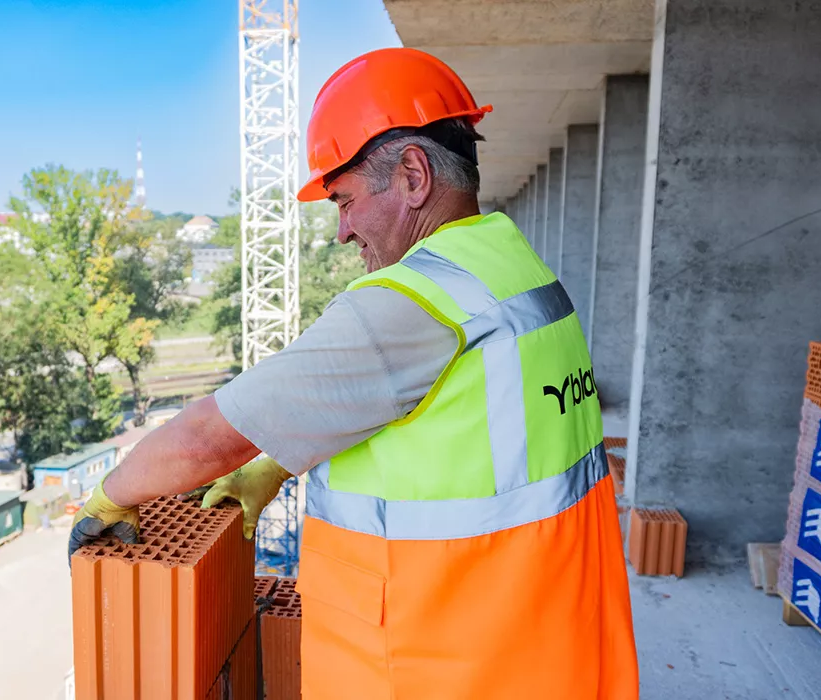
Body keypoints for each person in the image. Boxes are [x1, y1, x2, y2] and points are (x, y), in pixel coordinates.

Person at [69, 47, 639, 699]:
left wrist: (114, 493)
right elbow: (453, 431)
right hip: (541, 647)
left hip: (444, 665)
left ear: (414, 176)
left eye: (344, 200)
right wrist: (275, 466)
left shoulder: (414, 304)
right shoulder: (516, 276)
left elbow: (210, 438)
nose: (341, 231)